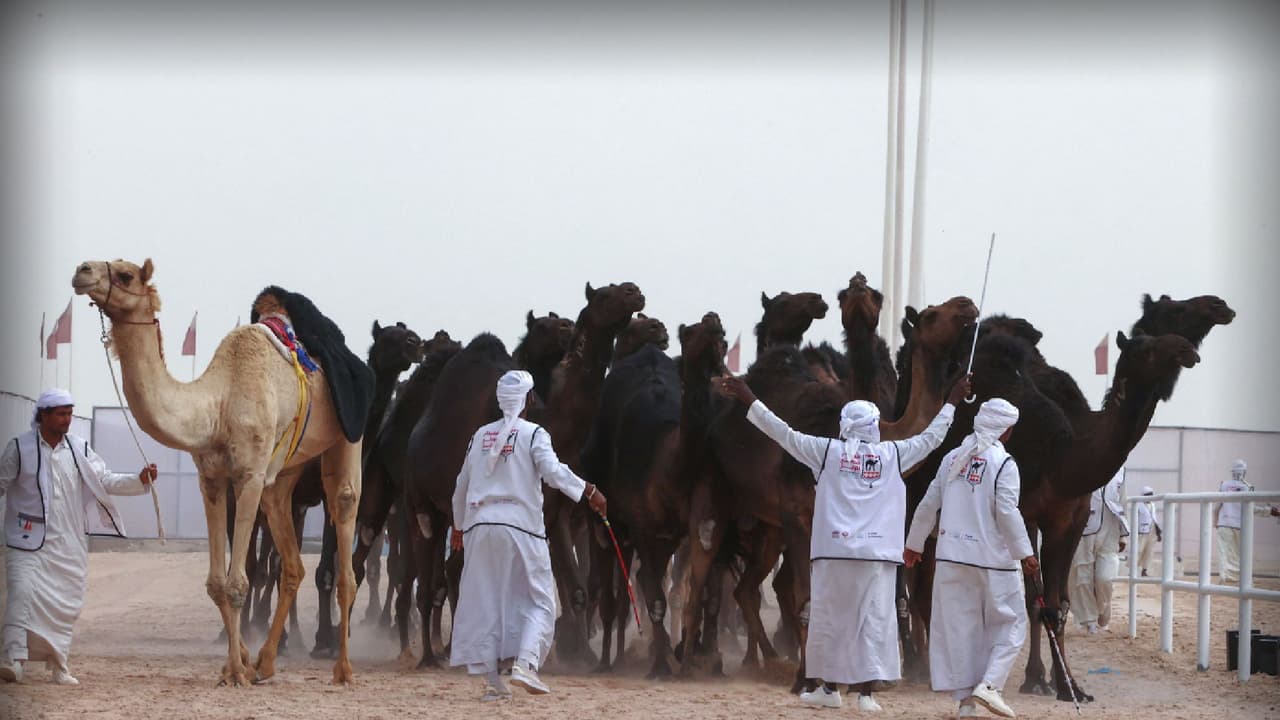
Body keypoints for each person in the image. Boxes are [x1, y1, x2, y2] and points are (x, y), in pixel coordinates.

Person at [718, 373, 970, 712]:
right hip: (878, 555)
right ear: (873, 426)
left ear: (845, 425)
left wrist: (749, 396)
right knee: (875, 621)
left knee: (830, 622)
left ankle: (829, 688)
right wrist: (953, 399)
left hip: (834, 553)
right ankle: (866, 694)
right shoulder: (894, 455)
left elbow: (781, 432)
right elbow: (933, 437)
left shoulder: (826, 452)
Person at [448, 371, 608, 701]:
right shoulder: (534, 434)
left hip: (479, 526)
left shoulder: (479, 436)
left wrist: (459, 527)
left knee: (487, 604)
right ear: (529, 399)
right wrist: (588, 490)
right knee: (541, 600)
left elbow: (460, 487)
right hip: (520, 527)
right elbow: (552, 473)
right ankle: (526, 664)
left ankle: (494, 684)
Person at [0, 388, 158, 685]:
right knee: (21, 594)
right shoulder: (19, 448)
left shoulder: (79, 448)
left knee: (65, 604)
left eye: (70, 413)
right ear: (44, 415)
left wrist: (139, 480)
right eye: (61, 414)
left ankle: (59, 665)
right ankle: (13, 659)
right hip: (26, 540)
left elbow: (105, 479)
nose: (67, 419)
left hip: (68, 544)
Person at [904, 398, 1037, 720]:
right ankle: (990, 686)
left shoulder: (952, 458)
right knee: (1012, 623)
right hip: (993, 561)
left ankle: (966, 703)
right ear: (1005, 430)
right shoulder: (1004, 464)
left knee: (961, 629)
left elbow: (928, 503)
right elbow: (1006, 511)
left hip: (951, 558)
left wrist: (914, 544)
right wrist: (1026, 553)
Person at [1068, 468, 1128, 633]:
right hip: (1082, 526)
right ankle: (1090, 620)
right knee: (1083, 575)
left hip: (1110, 526)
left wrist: (1123, 534)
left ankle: (1102, 609)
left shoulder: (1120, 468)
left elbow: (1122, 500)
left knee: (1105, 577)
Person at [1214, 459, 1280, 584]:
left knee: (1224, 553)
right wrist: (1269, 511)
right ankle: (1242, 580)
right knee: (1242, 555)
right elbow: (1251, 509)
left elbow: (1217, 506)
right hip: (1241, 525)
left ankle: (1225, 578)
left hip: (1224, 524)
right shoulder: (1248, 487)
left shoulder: (1223, 485)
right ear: (1244, 471)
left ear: (1232, 471)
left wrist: (1215, 521)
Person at [1135, 486, 1162, 577]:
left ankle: (1144, 570)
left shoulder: (1153, 505)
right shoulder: (1138, 504)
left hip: (1152, 530)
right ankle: (1133, 569)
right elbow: (1135, 519)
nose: (1149, 497)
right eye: (1147, 495)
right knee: (1138, 551)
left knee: (1149, 551)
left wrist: (1158, 531)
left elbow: (1154, 518)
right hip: (1142, 531)